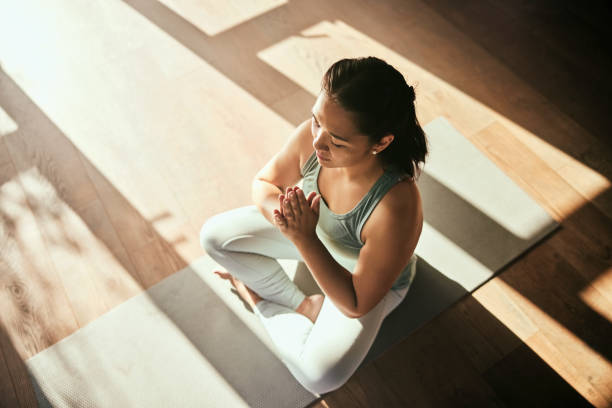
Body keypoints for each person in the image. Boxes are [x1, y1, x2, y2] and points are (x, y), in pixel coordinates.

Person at [199, 56, 428, 396]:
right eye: (316, 121)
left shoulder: (397, 205)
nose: (319, 142)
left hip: (360, 281)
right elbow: (265, 183)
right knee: (214, 237)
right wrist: (289, 218)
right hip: (308, 235)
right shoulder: (314, 140)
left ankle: (257, 297)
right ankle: (300, 305)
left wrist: (303, 238)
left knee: (320, 377)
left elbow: (356, 303)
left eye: (338, 141)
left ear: (380, 143)